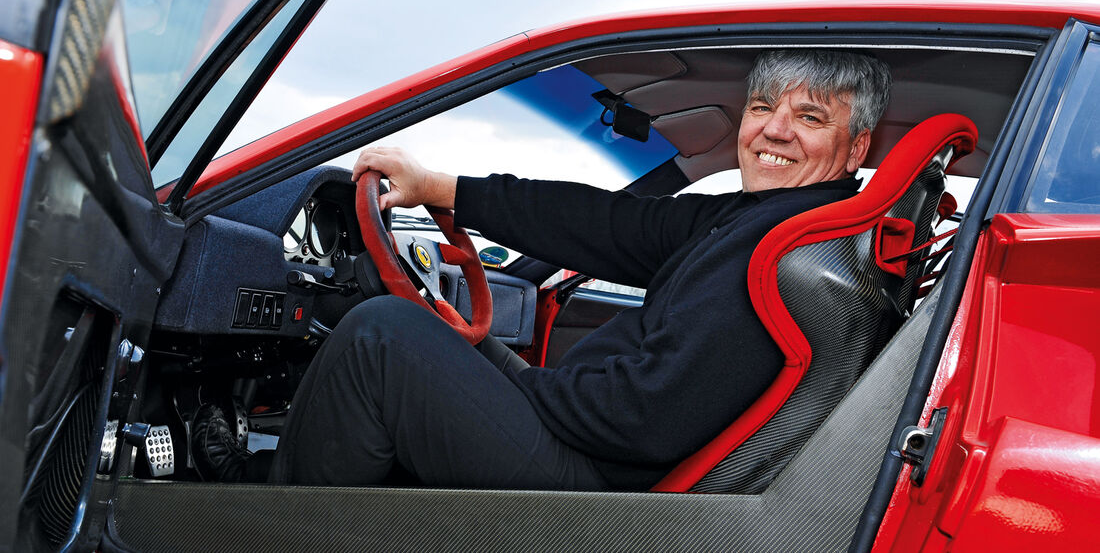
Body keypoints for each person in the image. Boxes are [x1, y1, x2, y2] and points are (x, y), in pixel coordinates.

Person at [258, 49, 891, 491]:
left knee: (381, 337)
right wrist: (440, 187)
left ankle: (264, 521)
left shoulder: (787, 251)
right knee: (441, 343)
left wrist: (526, 390)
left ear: (856, 147)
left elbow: (647, 419)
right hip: (591, 446)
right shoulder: (767, 216)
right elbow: (609, 223)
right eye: (761, 108)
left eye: (810, 118)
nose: (773, 132)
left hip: (596, 484)